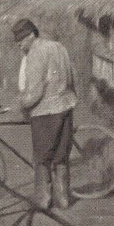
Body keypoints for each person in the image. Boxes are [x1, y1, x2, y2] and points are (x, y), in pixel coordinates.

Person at [13, 18, 77, 210]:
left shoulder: (35, 53)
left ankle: (42, 198)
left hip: (45, 112)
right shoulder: (59, 47)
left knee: (42, 156)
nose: (19, 45)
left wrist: (21, 105)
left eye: (21, 41)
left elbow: (35, 92)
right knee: (61, 155)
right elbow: (72, 75)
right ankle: (63, 199)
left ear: (32, 35)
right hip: (66, 106)